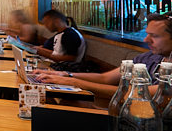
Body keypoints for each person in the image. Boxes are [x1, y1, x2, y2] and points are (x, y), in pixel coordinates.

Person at [35, 12, 172, 101]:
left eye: (154, 36)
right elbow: (105, 78)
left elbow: (137, 92)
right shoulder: (147, 58)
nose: (146, 40)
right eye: (147, 34)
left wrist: (74, 83)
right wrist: (65, 75)